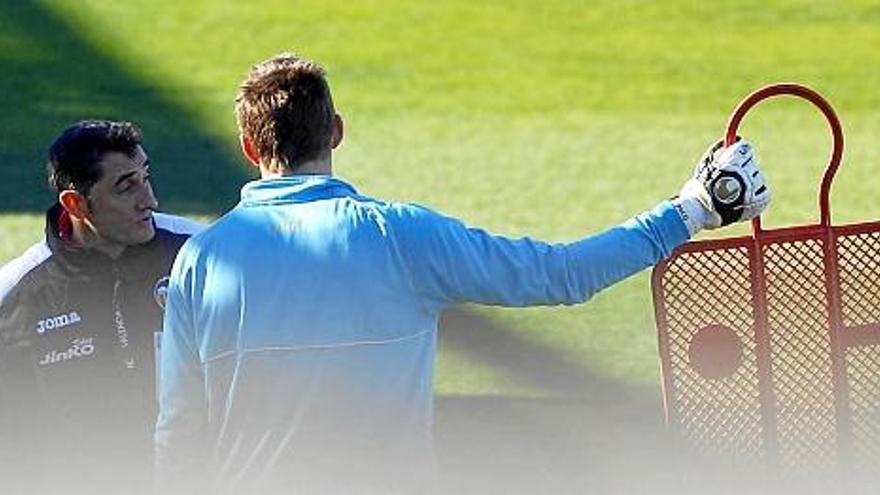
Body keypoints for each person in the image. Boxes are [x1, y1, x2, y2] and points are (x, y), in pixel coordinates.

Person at [155, 53, 770, 494]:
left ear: (247, 145)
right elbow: (561, 275)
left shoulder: (201, 260)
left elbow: (178, 432)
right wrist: (693, 209)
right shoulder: (398, 235)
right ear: (336, 131)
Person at [0, 120, 201, 495]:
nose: (150, 200)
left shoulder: (199, 255)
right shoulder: (16, 295)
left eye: (145, 177)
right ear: (75, 203)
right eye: (126, 187)